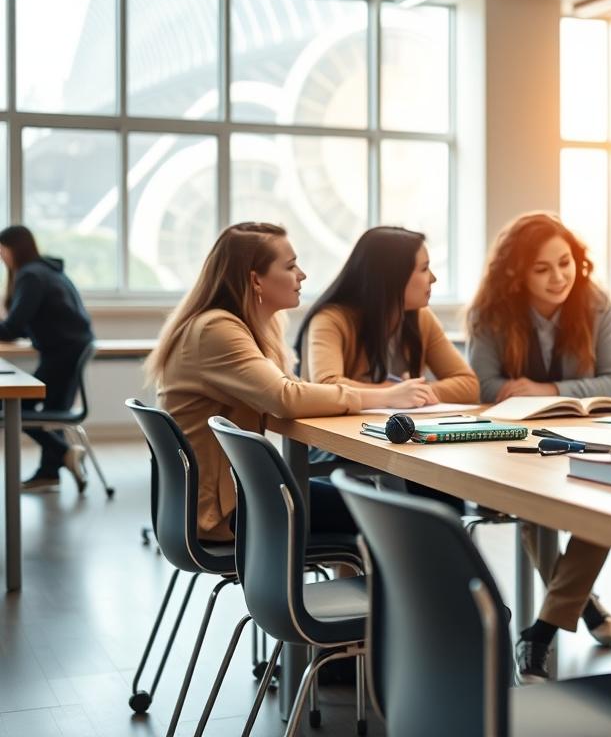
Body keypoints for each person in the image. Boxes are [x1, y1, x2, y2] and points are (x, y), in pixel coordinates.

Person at [146, 222, 437, 542]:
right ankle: (389, 591)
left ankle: (370, 589)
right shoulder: (216, 329)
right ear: (256, 279)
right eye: (290, 266)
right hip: (224, 512)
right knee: (389, 511)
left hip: (224, 499)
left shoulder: (235, 327)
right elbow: (286, 397)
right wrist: (385, 396)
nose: (302, 275)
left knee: (375, 499)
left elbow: (290, 393)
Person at [465, 212, 611, 682]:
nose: (559, 277)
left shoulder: (594, 303)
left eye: (566, 263)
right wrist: (539, 390)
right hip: (513, 442)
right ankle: (581, 603)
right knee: (533, 507)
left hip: (589, 437)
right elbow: (486, 387)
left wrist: (543, 389)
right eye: (542, 268)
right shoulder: (491, 311)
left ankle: (541, 631)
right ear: (517, 273)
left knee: (605, 506)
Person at [296, 226, 479, 491]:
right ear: (392, 277)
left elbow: (468, 384)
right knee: (425, 488)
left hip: (402, 445)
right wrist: (394, 393)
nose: (434, 279)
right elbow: (327, 385)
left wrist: (413, 393)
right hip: (338, 453)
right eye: (425, 269)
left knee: (442, 485)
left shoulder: (420, 317)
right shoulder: (331, 319)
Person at [0, 225, 95, 491]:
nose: (1, 258)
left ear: (11, 249)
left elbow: (12, 328)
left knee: (11, 408)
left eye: (2, 251)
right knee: (41, 414)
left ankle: (64, 453)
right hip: (70, 350)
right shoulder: (48, 269)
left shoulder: (31, 275)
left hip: (62, 354)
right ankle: (49, 472)